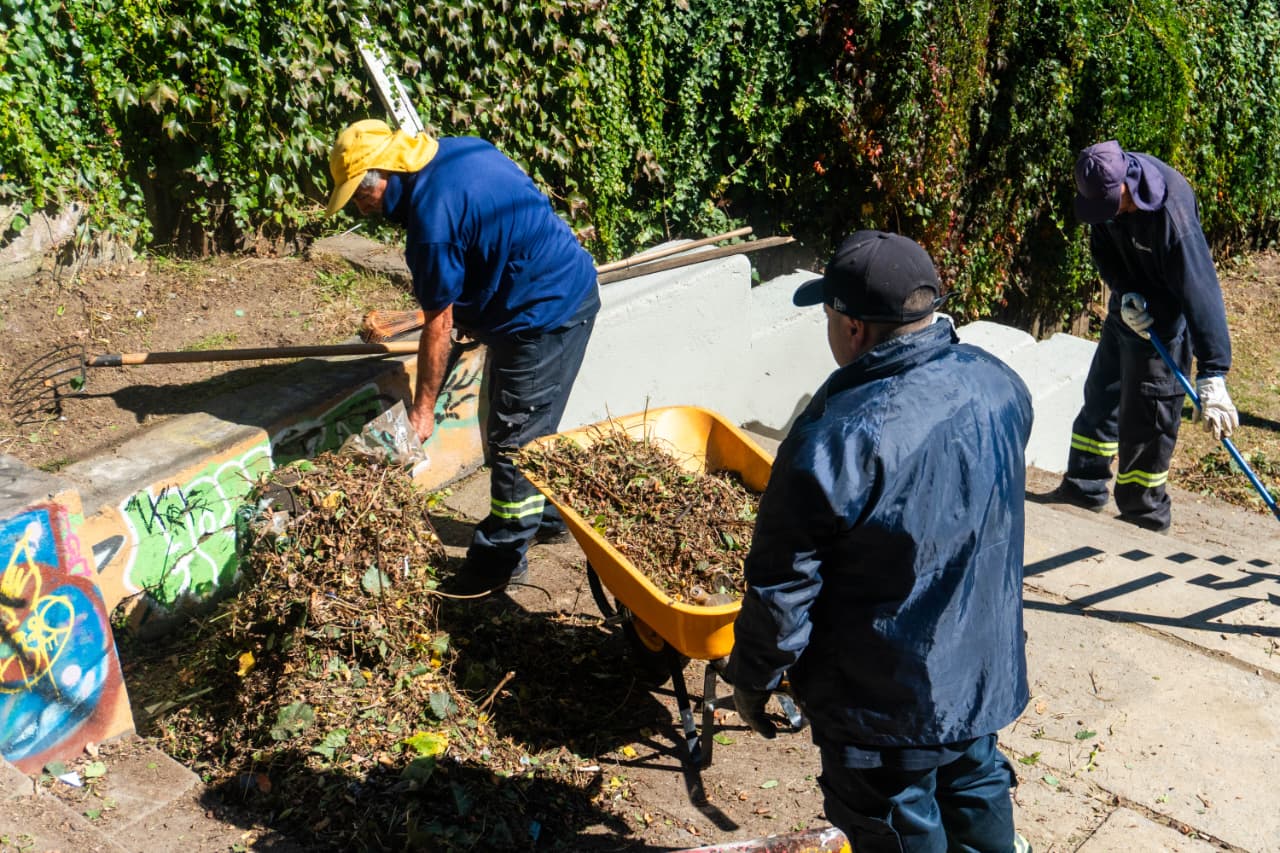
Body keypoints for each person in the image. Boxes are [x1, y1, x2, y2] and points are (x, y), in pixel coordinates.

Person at [725, 230, 1034, 853]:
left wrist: (754, 678)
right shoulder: (999, 382)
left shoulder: (837, 437)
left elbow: (783, 584)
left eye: (828, 317)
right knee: (976, 796)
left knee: (896, 828)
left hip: (884, 711)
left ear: (854, 328)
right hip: (978, 678)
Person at [326, 119, 600, 591]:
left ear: (387, 170)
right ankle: (548, 519)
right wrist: (477, 311)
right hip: (544, 297)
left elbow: (438, 324)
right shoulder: (458, 151)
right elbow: (488, 238)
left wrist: (423, 411)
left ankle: (497, 564)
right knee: (515, 425)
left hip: (546, 314)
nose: (360, 206)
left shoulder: (431, 225)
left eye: (361, 193)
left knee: (515, 441)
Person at [1044, 139, 1237, 532]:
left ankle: (1143, 515)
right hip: (1129, 308)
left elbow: (1201, 288)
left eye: (1110, 205)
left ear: (1125, 186)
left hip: (1164, 323)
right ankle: (1083, 488)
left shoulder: (1171, 214)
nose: (1106, 214)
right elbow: (1104, 250)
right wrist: (1124, 290)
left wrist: (1213, 372)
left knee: (1149, 419)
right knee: (1101, 396)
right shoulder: (1104, 197)